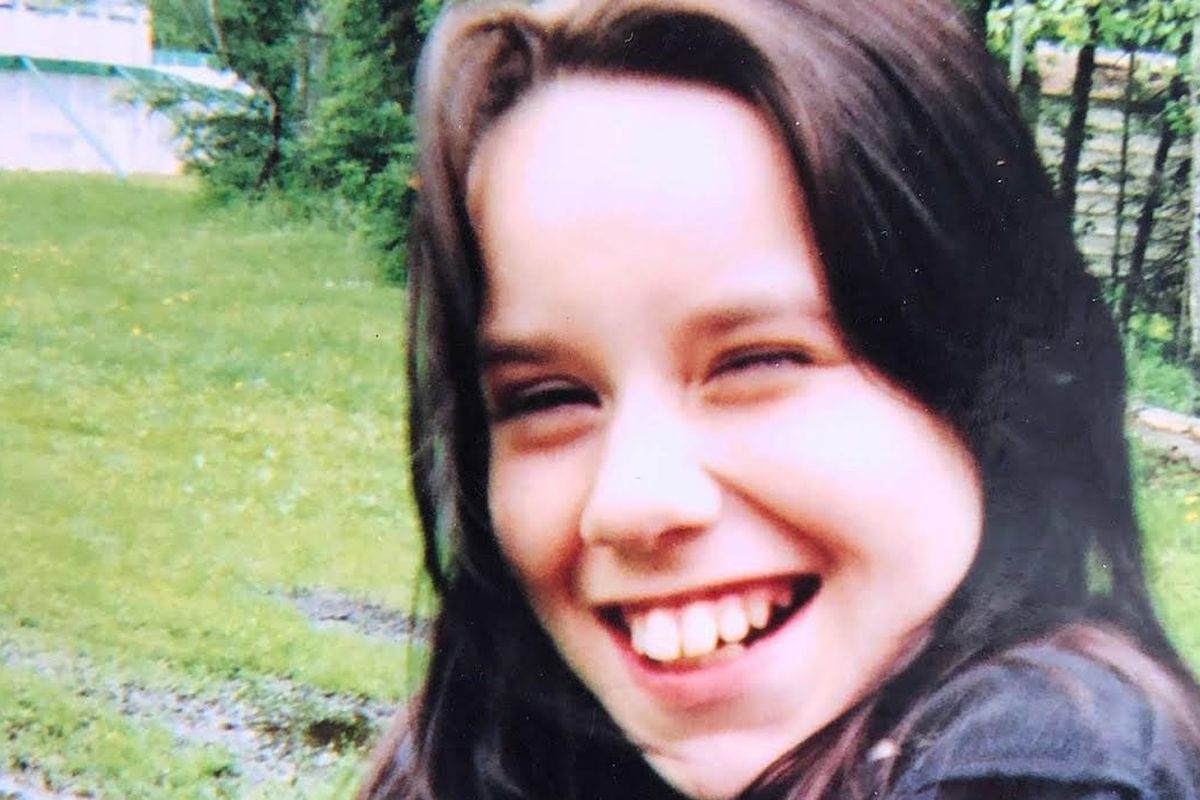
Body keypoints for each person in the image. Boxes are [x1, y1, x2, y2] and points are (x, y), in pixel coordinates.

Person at [359, 0, 1200, 798]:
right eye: (550, 398)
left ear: (988, 385)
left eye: (757, 361)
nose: (632, 501)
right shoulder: (527, 743)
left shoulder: (1046, 760)